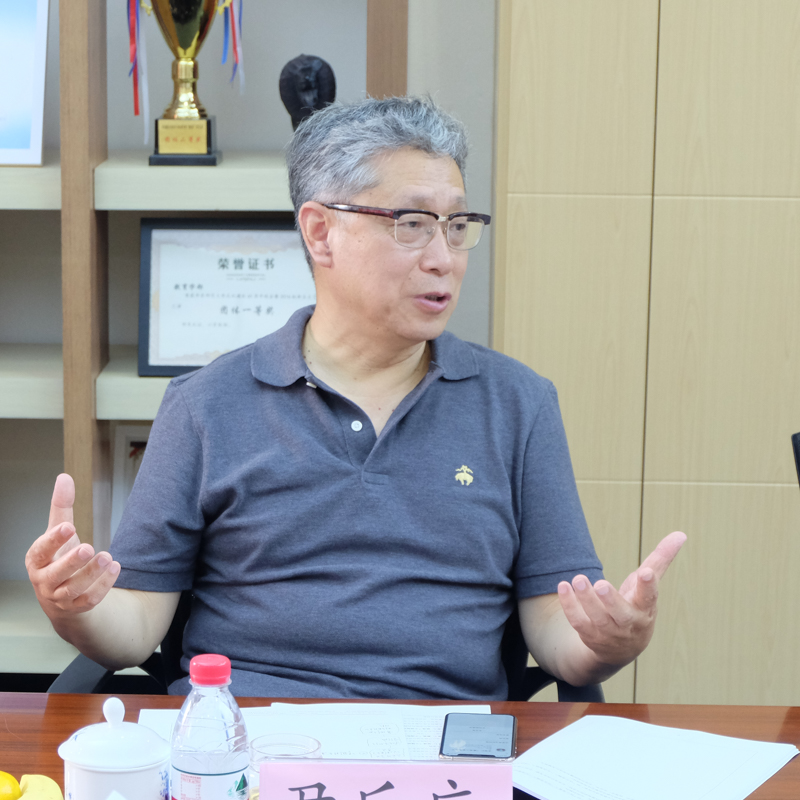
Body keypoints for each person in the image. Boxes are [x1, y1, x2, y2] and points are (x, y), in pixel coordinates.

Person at [26, 96, 686, 698]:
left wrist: (608, 643)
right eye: (412, 223)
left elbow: (558, 628)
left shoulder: (518, 404)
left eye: (457, 225)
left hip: (444, 742)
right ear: (320, 232)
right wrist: (74, 606)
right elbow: (135, 626)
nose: (444, 257)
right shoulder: (205, 404)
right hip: (247, 737)